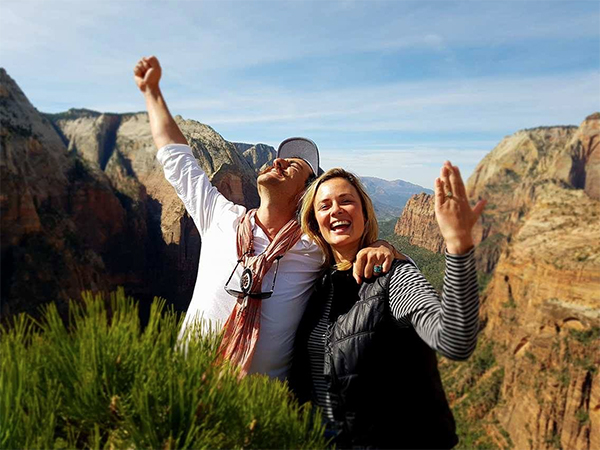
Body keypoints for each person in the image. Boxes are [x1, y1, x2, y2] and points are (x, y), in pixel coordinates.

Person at [133, 56, 399, 380]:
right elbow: (176, 157)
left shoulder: (314, 248)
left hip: (260, 412)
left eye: (293, 166)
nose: (279, 162)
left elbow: (353, 244)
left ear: (304, 195)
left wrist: (384, 245)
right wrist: (152, 92)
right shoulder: (220, 216)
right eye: (278, 158)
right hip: (184, 389)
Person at [291, 166, 486, 449]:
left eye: (346, 201)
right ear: (314, 221)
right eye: (325, 205)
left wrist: (458, 244)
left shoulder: (393, 276)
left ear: (366, 213)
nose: (336, 210)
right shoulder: (315, 284)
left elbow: (456, 340)